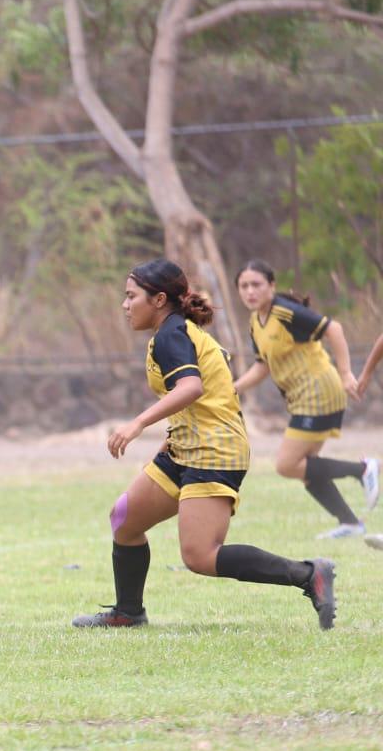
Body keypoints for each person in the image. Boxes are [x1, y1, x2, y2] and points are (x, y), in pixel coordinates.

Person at [72, 258, 337, 630]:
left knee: (199, 556)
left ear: (159, 299)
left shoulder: (172, 334)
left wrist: (138, 424)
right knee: (125, 519)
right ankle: (128, 612)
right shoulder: (173, 331)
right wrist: (168, 439)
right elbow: (202, 397)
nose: (125, 304)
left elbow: (191, 388)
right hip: (185, 447)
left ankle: (309, 574)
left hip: (215, 451)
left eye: (131, 296)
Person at [233, 259, 376, 539]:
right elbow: (262, 366)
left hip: (319, 391)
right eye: (244, 286)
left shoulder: (284, 312)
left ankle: (363, 469)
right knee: (306, 466)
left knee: (287, 465)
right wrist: (231, 389)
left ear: (271, 285)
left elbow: (334, 329)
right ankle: (349, 523)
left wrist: (346, 373)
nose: (250, 291)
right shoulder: (255, 322)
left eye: (256, 284)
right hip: (302, 398)